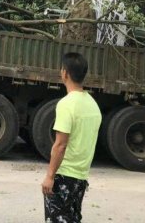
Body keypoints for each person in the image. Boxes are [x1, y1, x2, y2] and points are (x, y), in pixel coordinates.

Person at [40, 52, 102, 223]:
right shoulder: (92, 104)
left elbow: (60, 145)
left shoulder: (66, 104)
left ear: (65, 73)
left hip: (63, 176)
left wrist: (50, 176)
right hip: (81, 177)